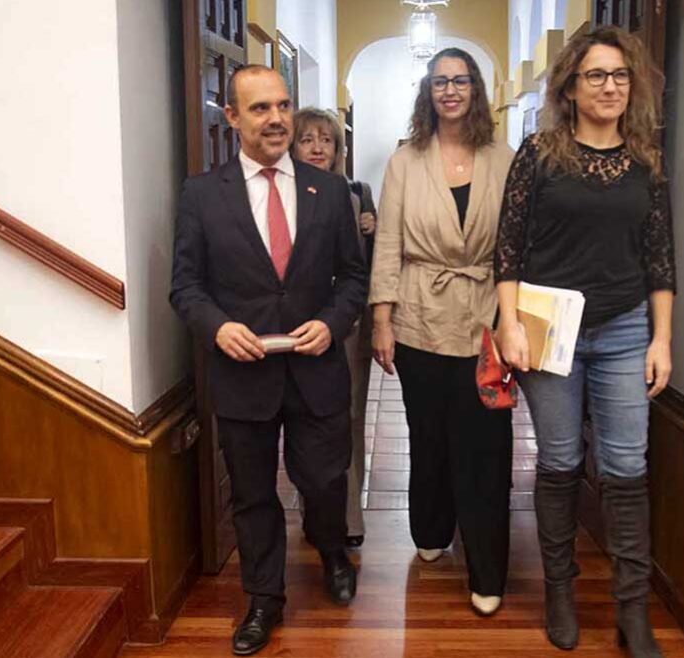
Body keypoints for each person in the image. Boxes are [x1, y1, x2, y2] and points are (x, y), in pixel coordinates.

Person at [170, 65, 368, 656]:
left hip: (316, 371)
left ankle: (333, 552)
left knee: (325, 481)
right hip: (242, 376)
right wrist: (218, 327)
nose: (277, 118)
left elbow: (353, 279)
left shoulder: (331, 190)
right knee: (254, 495)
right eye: (260, 108)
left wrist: (333, 324)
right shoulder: (202, 195)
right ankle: (264, 599)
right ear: (231, 117)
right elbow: (186, 286)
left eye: (283, 105)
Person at [493, 27, 676, 658]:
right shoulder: (540, 153)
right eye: (596, 75)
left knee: (628, 469)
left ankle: (632, 611)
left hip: (626, 330)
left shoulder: (646, 161)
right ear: (570, 87)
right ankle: (560, 592)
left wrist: (663, 341)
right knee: (561, 462)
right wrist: (509, 324)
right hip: (550, 331)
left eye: (620, 75)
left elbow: (661, 260)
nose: (610, 87)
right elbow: (508, 249)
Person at [369, 47, 516, 616]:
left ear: (476, 89)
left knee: (485, 443)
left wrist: (516, 323)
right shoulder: (406, 160)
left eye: (460, 80)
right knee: (427, 433)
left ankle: (486, 567)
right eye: (439, 82)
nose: (450, 90)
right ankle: (430, 528)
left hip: (487, 319)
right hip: (418, 316)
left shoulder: (504, 158)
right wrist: (382, 319)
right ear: (427, 94)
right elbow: (387, 245)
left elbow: (518, 247)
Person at [292, 107, 376, 549]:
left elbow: (369, 267)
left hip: (347, 325)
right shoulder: (279, 194)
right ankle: (314, 517)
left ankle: (349, 520)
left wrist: (374, 230)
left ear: (339, 150)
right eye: (307, 139)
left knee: (348, 419)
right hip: (294, 328)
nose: (318, 147)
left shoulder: (357, 193)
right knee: (304, 422)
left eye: (326, 140)